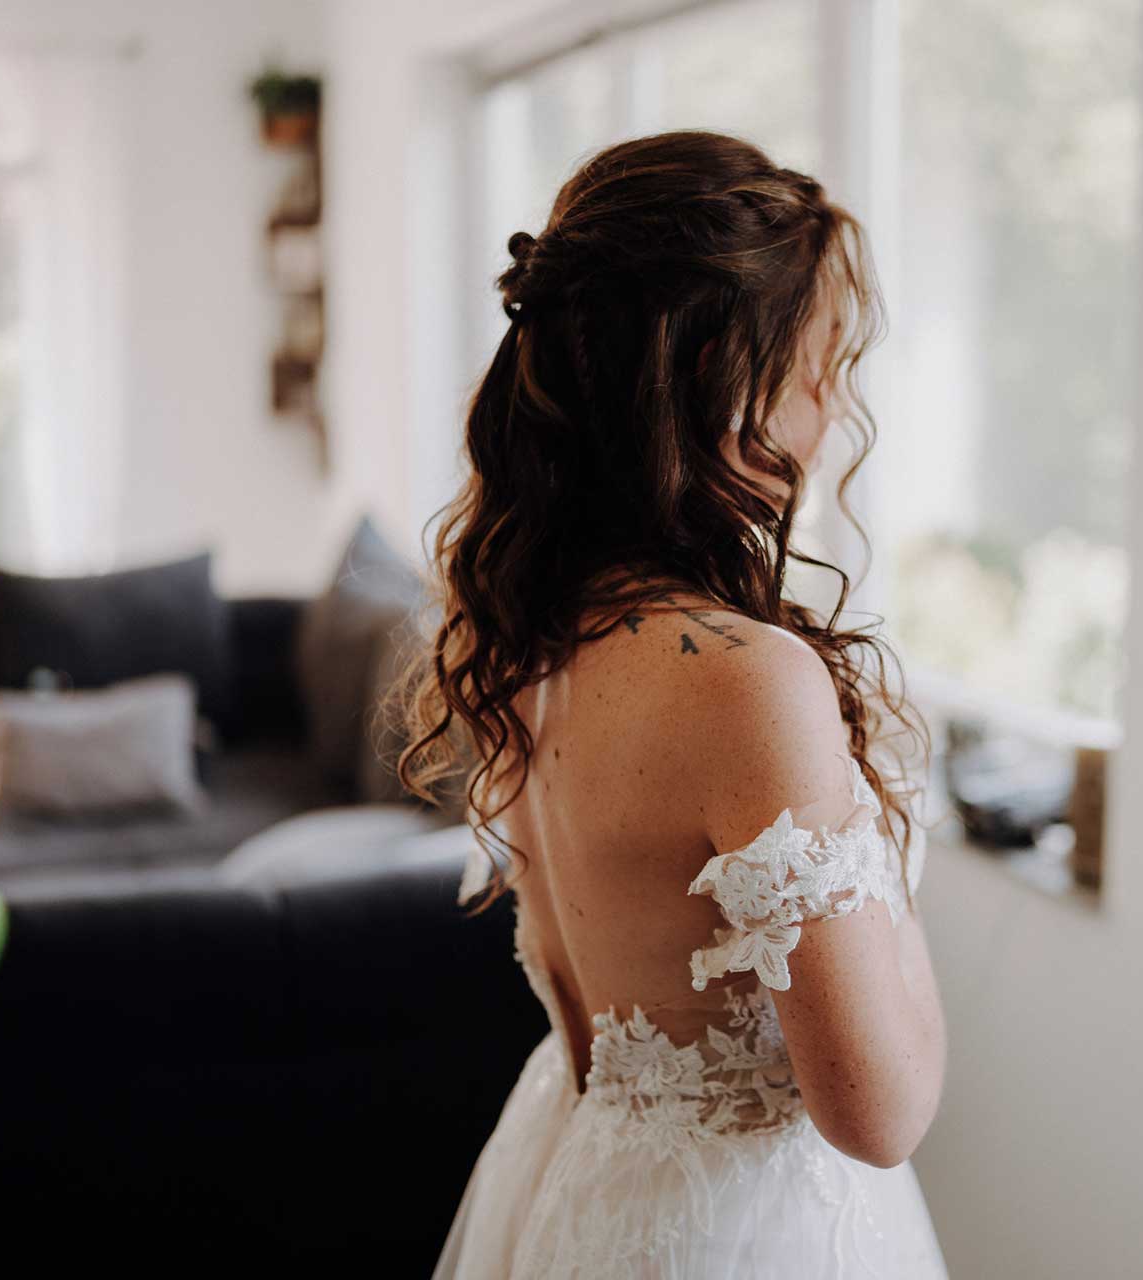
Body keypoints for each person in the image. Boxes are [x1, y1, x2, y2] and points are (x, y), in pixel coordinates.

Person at [401, 131, 949, 1278]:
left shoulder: (529, 633)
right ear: (719, 378)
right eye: (820, 364)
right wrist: (891, 826)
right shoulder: (743, 679)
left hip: (579, 1191)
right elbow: (879, 1112)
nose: (835, 410)